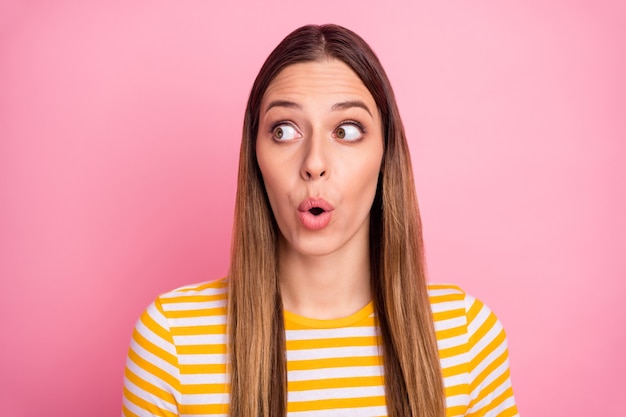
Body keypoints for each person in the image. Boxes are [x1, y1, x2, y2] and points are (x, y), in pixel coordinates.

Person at [122, 24, 519, 417]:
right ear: (255, 157)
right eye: (284, 130)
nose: (314, 163)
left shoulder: (466, 338)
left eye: (346, 130)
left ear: (385, 156)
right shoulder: (172, 344)